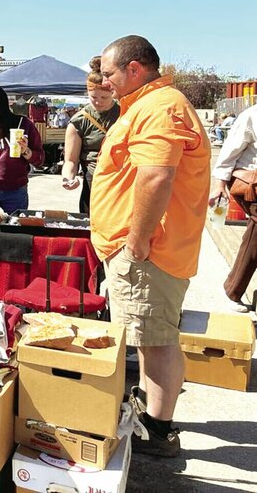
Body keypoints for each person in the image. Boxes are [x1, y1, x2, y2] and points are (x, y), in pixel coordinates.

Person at [91, 35, 209, 458]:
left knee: (156, 341)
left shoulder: (160, 107)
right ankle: (149, 413)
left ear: (134, 69)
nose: (104, 82)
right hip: (148, 251)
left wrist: (137, 241)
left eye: (109, 74)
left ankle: (157, 430)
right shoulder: (150, 105)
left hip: (148, 253)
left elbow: (156, 176)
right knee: (153, 337)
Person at [208, 104, 257, 312]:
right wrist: (219, 184)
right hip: (251, 185)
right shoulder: (252, 115)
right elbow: (229, 152)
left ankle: (233, 288)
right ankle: (233, 289)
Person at [61, 57, 120, 213]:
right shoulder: (79, 121)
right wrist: (68, 178)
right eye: (93, 97)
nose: (98, 102)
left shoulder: (126, 112)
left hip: (123, 183)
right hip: (94, 182)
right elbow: (71, 160)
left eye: (104, 97)